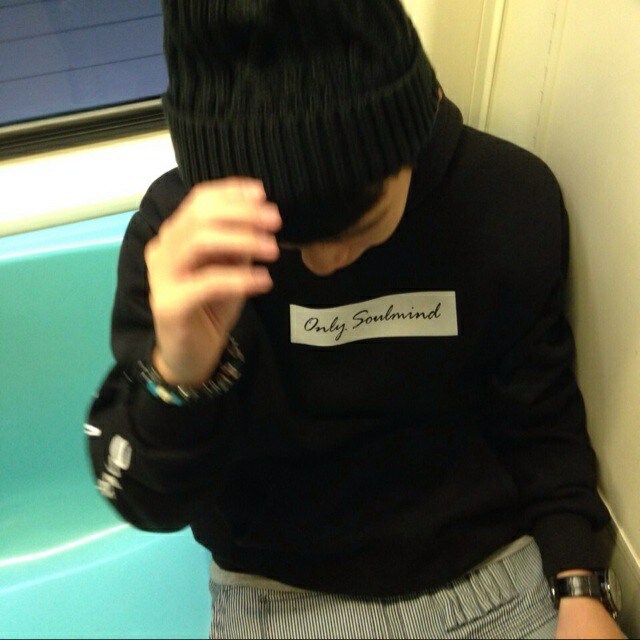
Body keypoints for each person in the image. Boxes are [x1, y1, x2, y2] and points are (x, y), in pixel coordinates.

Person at [85, 1, 627, 638]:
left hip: (490, 567)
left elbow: (541, 420)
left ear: (414, 122)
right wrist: (180, 373)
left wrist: (581, 585)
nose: (324, 265)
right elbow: (144, 499)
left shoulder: (506, 199)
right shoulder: (183, 243)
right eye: (288, 239)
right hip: (279, 591)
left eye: (358, 225)